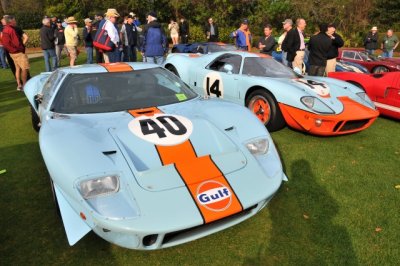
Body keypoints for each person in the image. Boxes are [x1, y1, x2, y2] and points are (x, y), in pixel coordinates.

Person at [1, 15, 30, 90]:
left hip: (12, 52)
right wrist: (22, 48)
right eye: (14, 20)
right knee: (24, 68)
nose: (15, 21)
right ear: (11, 21)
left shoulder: (5, 29)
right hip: (18, 52)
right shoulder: (11, 30)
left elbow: (4, 42)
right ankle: (24, 85)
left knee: (17, 68)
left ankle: (19, 84)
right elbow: (17, 42)